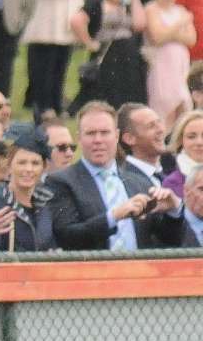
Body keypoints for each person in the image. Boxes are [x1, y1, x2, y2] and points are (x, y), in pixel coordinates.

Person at [45, 101, 187, 251]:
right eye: (90, 133)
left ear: (117, 135)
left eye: (105, 132)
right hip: (91, 272)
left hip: (138, 271)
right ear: (79, 138)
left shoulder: (140, 182)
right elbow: (66, 237)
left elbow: (168, 241)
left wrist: (173, 211)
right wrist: (114, 216)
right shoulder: (61, 181)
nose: (98, 140)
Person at [70, 0, 148, 112]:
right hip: (108, 55)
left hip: (128, 56)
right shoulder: (97, 3)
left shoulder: (127, 4)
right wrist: (88, 42)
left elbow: (140, 24)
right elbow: (77, 21)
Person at [0, 126, 56, 251]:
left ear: (44, 168)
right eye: (22, 163)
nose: (28, 169)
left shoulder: (46, 204)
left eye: (35, 163)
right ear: (9, 166)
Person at [144, 0, 196, 126]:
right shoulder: (152, 9)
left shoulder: (180, 10)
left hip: (179, 62)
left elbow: (191, 39)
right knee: (164, 101)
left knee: (183, 100)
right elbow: (157, 37)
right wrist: (179, 25)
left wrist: (170, 34)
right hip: (161, 62)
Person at [119, 102, 173, 187]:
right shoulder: (124, 180)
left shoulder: (175, 171)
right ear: (129, 139)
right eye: (151, 126)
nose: (161, 130)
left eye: (159, 122)